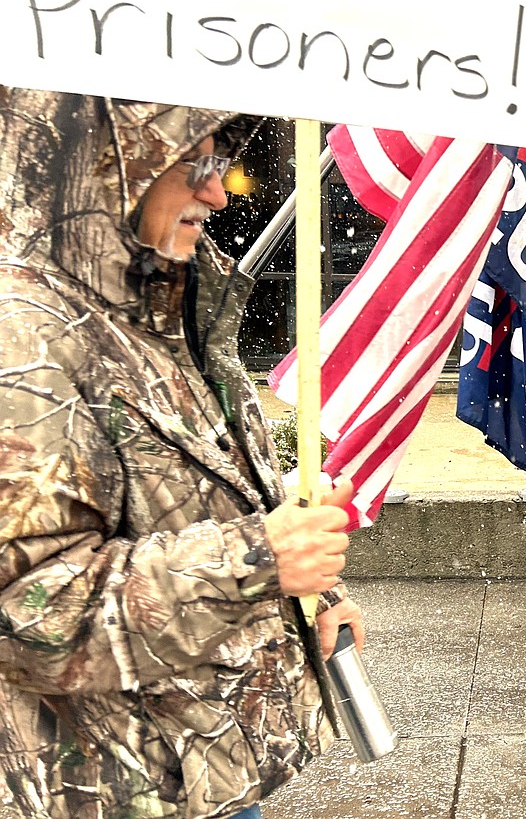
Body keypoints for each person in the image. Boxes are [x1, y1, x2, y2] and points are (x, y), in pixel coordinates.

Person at [0, 89, 364, 818]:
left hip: (202, 767)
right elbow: (29, 614)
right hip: (110, 788)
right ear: (106, 170)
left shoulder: (166, 308)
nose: (217, 191)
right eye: (187, 163)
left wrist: (307, 592)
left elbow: (200, 496)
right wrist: (260, 559)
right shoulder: (24, 339)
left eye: (218, 161)